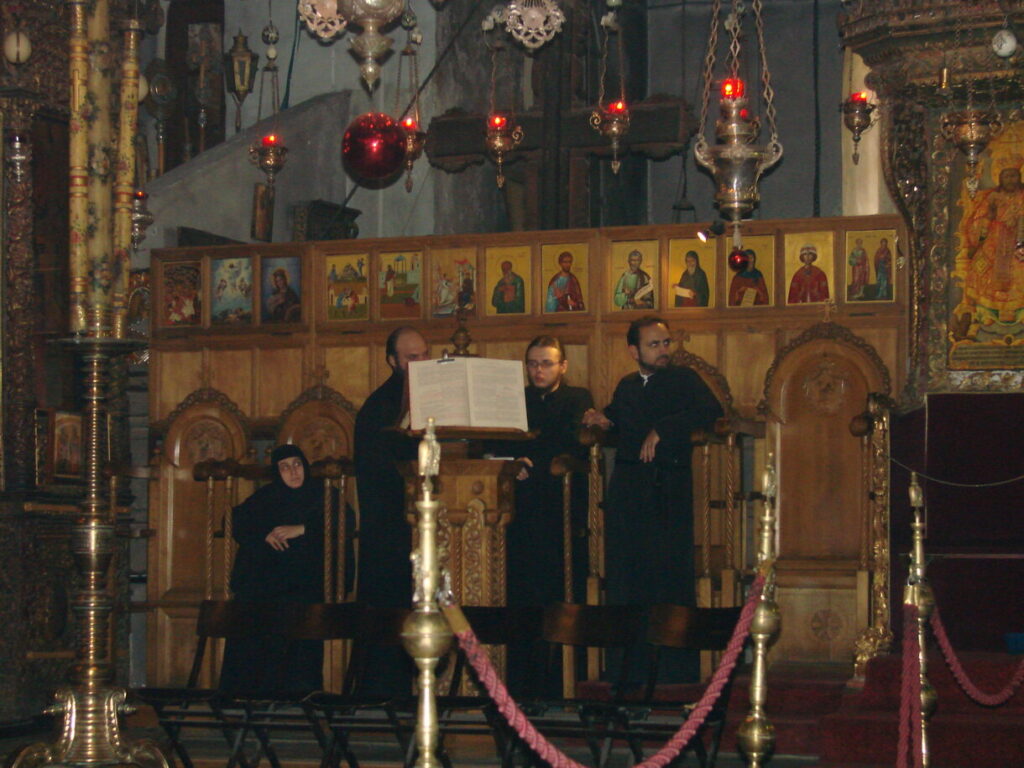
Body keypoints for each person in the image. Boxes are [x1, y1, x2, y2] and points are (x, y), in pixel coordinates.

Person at [582, 317, 723, 683]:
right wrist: (602, 419)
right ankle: (627, 667)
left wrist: (663, 429)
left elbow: (710, 411)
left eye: (666, 343)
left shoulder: (683, 380)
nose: (664, 351)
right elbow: (619, 415)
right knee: (627, 574)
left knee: (666, 576)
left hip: (667, 488)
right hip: (628, 488)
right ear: (634, 351)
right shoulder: (628, 384)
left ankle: (673, 669)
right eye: (655, 345)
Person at [494, 337, 593, 695]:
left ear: (562, 366)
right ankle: (522, 685)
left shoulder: (577, 398)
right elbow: (501, 442)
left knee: (560, 595)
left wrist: (534, 452)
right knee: (522, 596)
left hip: (560, 509)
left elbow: (568, 441)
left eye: (547, 363)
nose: (539, 370)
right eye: (533, 363)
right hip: (521, 511)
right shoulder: (514, 399)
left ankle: (562, 684)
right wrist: (513, 462)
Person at [353, 326, 428, 695]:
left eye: (423, 356)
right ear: (392, 361)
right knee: (388, 609)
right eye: (412, 358)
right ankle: (382, 693)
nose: (419, 363)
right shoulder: (380, 406)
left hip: (420, 526)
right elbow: (384, 465)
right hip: (390, 529)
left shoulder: (427, 397)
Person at [219, 444, 324, 698]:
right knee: (251, 613)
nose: (293, 472)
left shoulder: (321, 494)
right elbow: (234, 520)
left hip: (303, 586)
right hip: (264, 587)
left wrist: (303, 529)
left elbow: (345, 520)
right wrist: (263, 535)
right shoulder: (267, 496)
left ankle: (295, 696)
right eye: (285, 467)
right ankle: (249, 696)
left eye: (297, 464)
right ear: (277, 472)